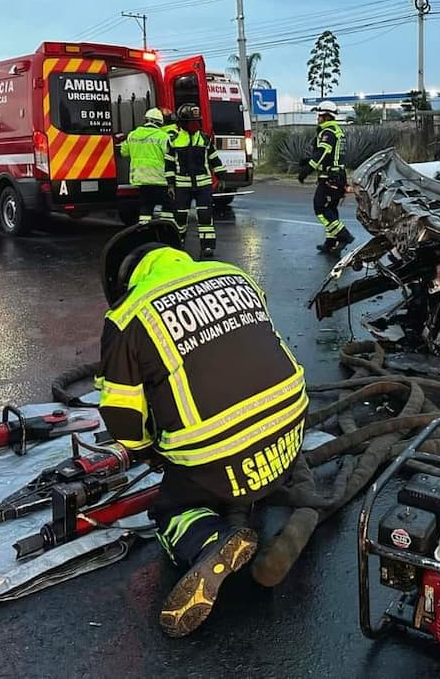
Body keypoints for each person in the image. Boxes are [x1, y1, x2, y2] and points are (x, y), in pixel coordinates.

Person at [96, 221, 307, 638]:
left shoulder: (127, 316)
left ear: (127, 279)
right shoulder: (235, 276)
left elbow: (121, 418)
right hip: (291, 430)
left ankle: (208, 542)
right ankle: (252, 493)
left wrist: (146, 451)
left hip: (218, 461)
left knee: (169, 507)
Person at [165, 103, 227, 259]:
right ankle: (177, 245)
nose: (194, 125)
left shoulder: (205, 139)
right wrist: (170, 184)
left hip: (203, 185)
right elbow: (169, 164)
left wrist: (222, 178)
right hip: (182, 186)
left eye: (197, 121)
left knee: (205, 216)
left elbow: (214, 160)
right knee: (180, 217)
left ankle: (207, 246)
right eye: (191, 122)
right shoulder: (174, 140)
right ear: (182, 123)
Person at [298, 100, 355, 254]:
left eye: (319, 116)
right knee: (330, 208)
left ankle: (343, 235)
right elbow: (325, 153)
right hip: (338, 176)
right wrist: (306, 161)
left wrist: (307, 170)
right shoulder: (337, 131)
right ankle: (331, 242)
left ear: (325, 117)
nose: (317, 119)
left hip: (330, 177)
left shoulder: (328, 133)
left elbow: (321, 154)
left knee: (320, 208)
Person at [120, 108, 173, 225]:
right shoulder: (163, 136)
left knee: (145, 206)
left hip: (141, 179)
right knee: (167, 206)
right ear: (159, 122)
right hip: (160, 179)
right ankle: (165, 229)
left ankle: (144, 228)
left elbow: (124, 152)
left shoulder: (132, 135)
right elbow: (170, 155)